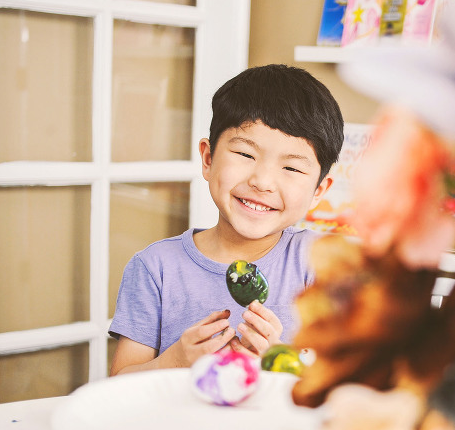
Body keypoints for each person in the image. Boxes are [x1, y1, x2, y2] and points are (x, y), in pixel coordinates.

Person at [108, 64, 344, 375]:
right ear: (208, 158)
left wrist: (282, 363)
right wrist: (175, 360)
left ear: (318, 190)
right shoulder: (156, 267)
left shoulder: (323, 264)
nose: (263, 182)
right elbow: (118, 385)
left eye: (292, 168)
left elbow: (352, 382)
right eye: (246, 155)